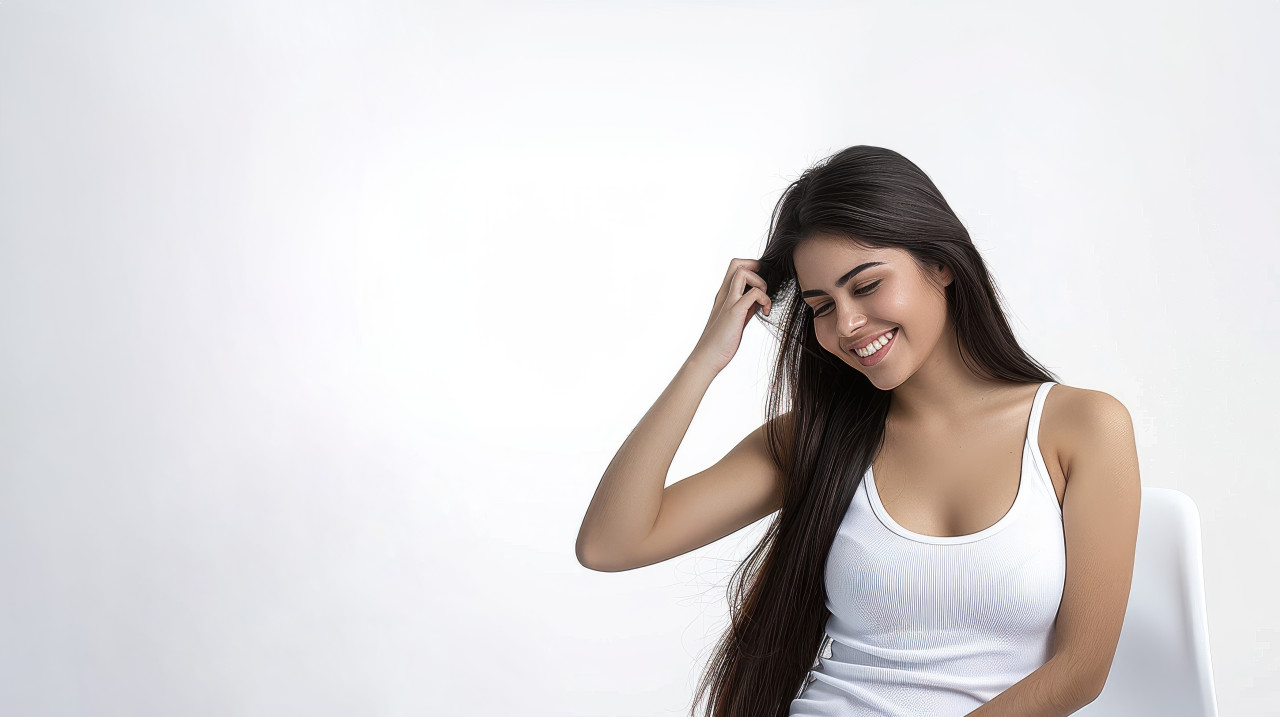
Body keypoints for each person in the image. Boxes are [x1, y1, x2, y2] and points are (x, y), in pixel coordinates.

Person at [575, 145, 1141, 717]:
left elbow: (1080, 671)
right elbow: (609, 544)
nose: (846, 325)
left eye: (866, 286)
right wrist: (704, 361)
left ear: (940, 264)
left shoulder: (1083, 427)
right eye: (821, 306)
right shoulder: (817, 439)